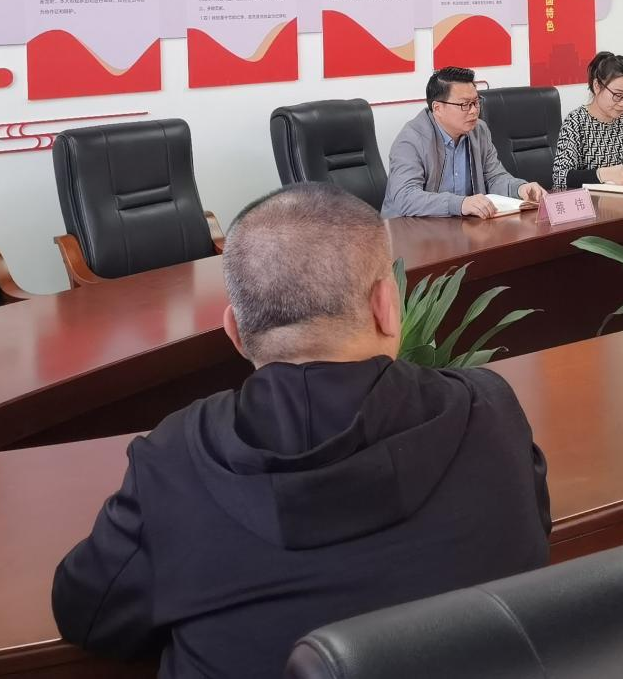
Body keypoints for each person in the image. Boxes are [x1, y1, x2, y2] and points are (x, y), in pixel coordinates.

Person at [52, 183, 553, 678]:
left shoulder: (173, 460)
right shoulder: (489, 410)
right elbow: (535, 531)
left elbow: (87, 613)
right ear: (386, 304)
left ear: (235, 332)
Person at [382, 66, 548, 219]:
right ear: (437, 108)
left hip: (461, 227)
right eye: (464, 104)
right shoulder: (411, 140)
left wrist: (519, 188)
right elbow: (405, 197)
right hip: (411, 231)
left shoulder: (479, 130)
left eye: (476, 102)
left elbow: (494, 177)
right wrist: (459, 204)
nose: (474, 111)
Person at [550, 51, 623, 190]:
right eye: (618, 95)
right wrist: (604, 174)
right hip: (592, 201)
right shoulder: (576, 122)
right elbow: (560, 178)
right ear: (597, 86)